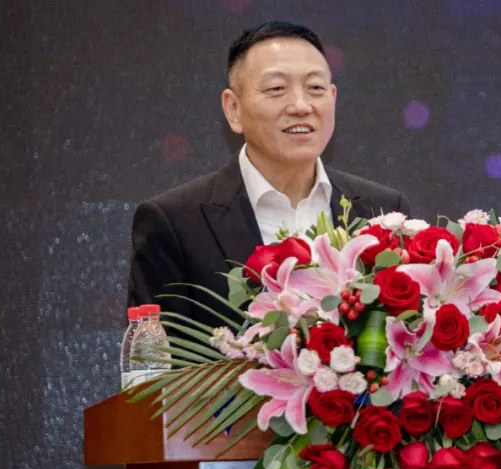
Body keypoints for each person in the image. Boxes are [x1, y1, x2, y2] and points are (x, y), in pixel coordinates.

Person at [127, 21, 411, 329]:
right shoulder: (174, 223)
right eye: (276, 89)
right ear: (233, 109)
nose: (301, 106)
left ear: (333, 98)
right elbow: (156, 355)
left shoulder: (383, 212)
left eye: (315, 88)